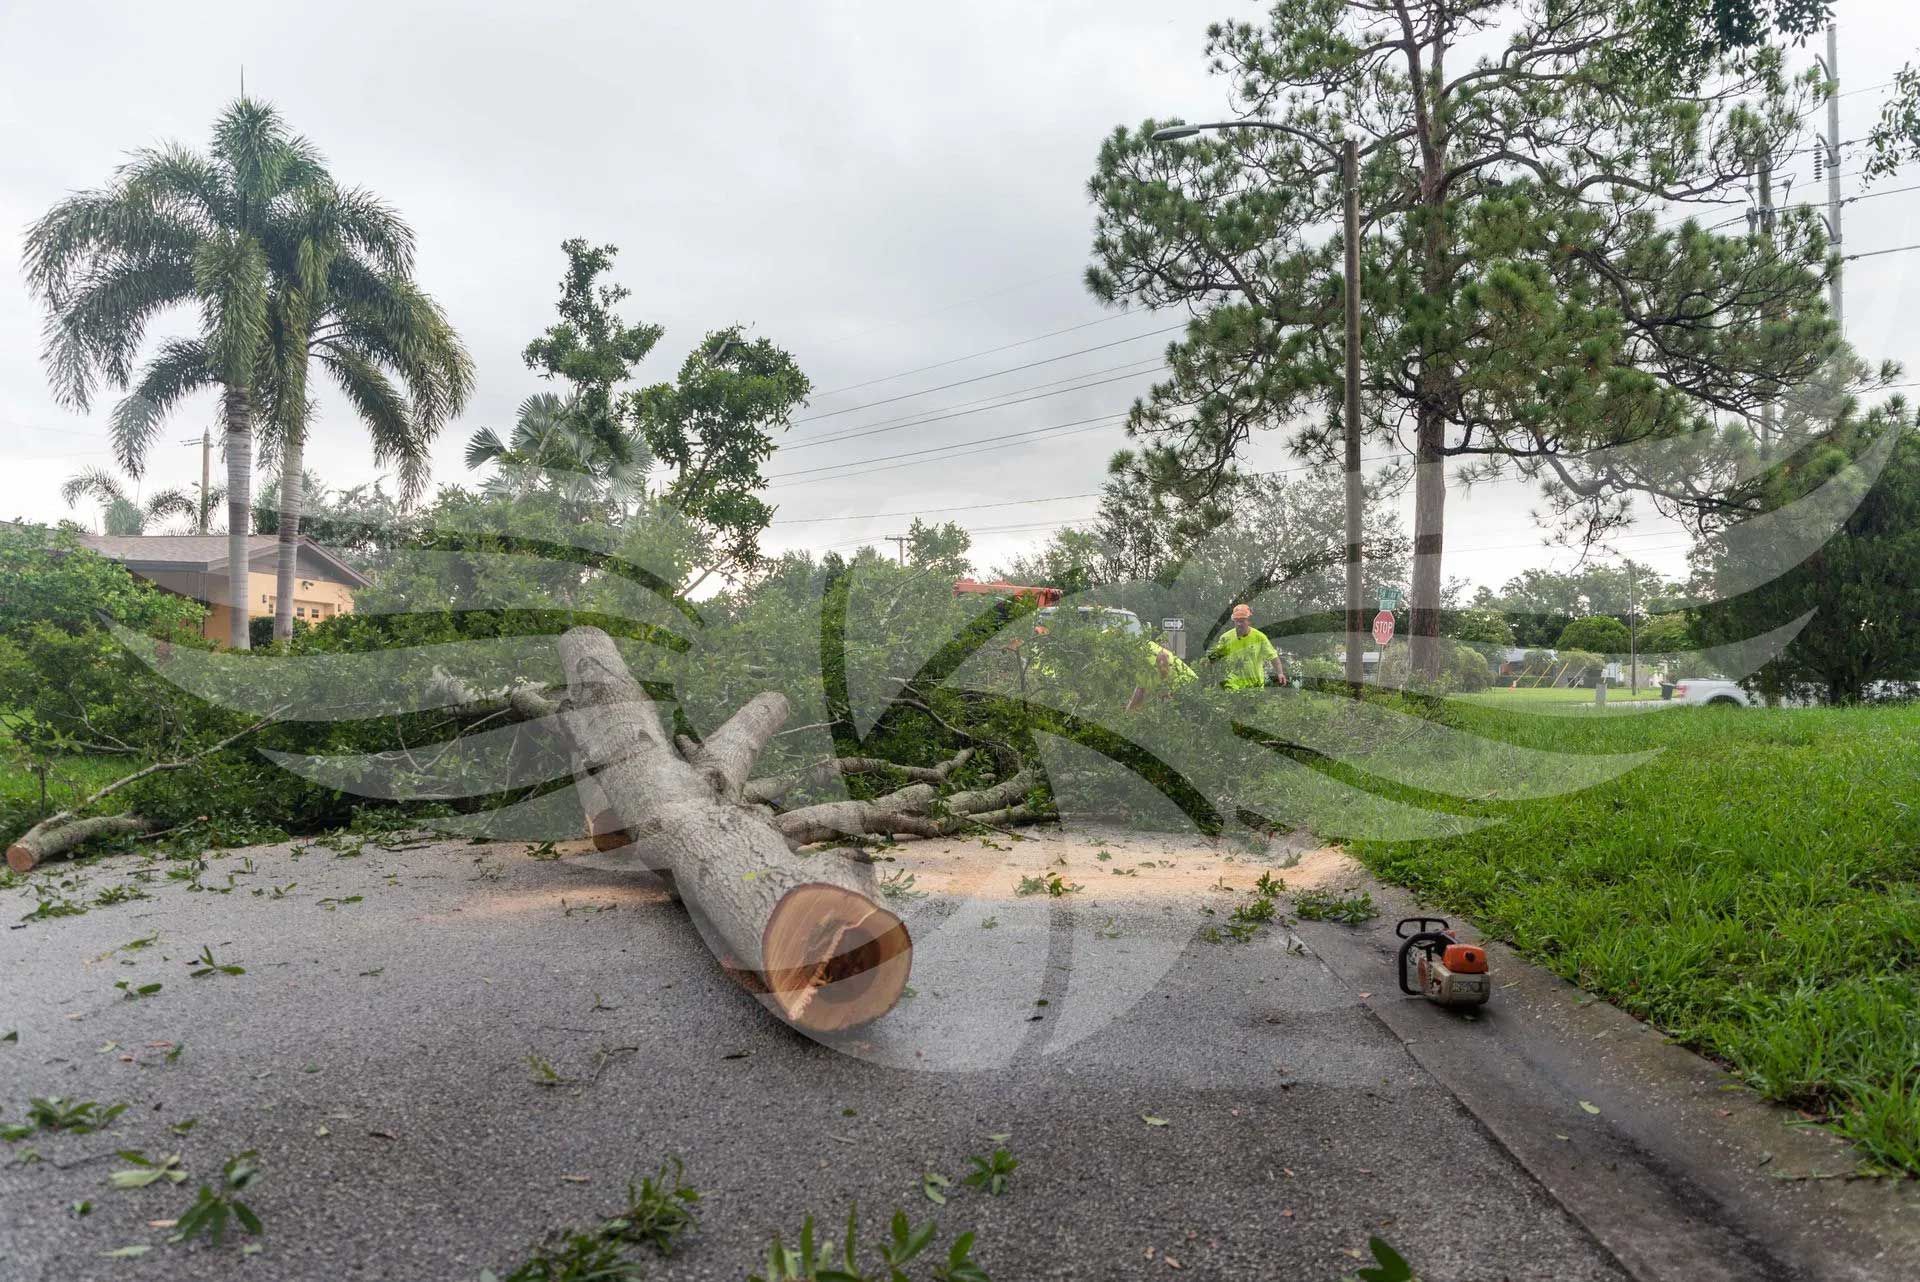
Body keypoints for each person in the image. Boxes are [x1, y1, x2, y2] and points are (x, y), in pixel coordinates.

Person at [1207, 603, 1286, 691]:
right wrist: (1208, 667)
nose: (1239, 624)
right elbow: (1215, 658)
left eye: (1242, 621)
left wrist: (1280, 673)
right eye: (1237, 621)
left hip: (1255, 685)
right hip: (1231, 684)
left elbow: (1273, 656)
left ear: (1249, 621)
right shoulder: (1225, 638)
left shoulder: (1260, 637)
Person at [1126, 631, 1196, 710]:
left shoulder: (1142, 653)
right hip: (1186, 687)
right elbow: (1140, 690)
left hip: (1186, 689)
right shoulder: (1143, 651)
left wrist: (1129, 712)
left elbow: (1140, 694)